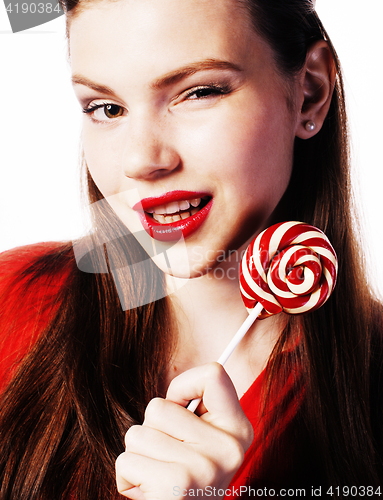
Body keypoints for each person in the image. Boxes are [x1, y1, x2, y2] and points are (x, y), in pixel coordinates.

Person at [0, 0, 382, 498]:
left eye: (198, 92)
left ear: (309, 93)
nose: (141, 160)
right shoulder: (12, 300)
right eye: (106, 108)